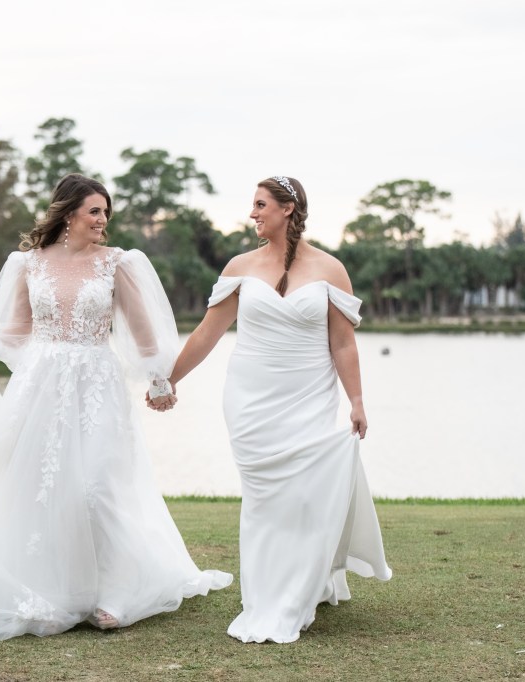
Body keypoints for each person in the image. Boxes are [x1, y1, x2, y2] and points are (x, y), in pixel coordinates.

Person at [0, 173, 231, 640]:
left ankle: (114, 593)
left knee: (97, 485)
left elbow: (143, 333)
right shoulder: (28, 265)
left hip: (96, 383)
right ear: (68, 213)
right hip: (39, 383)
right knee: (42, 485)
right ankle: (51, 586)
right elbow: (16, 328)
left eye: (106, 212)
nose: (103, 221)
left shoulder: (118, 264)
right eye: (95, 211)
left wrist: (161, 380)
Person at [158, 175, 391, 644]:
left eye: (261, 204)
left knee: (303, 497)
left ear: (288, 209)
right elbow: (207, 334)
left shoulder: (330, 270)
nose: (253, 213)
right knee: (265, 500)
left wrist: (358, 400)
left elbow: (343, 343)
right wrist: (171, 378)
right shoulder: (239, 268)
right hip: (250, 400)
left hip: (308, 396)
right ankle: (266, 597)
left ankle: (306, 581)